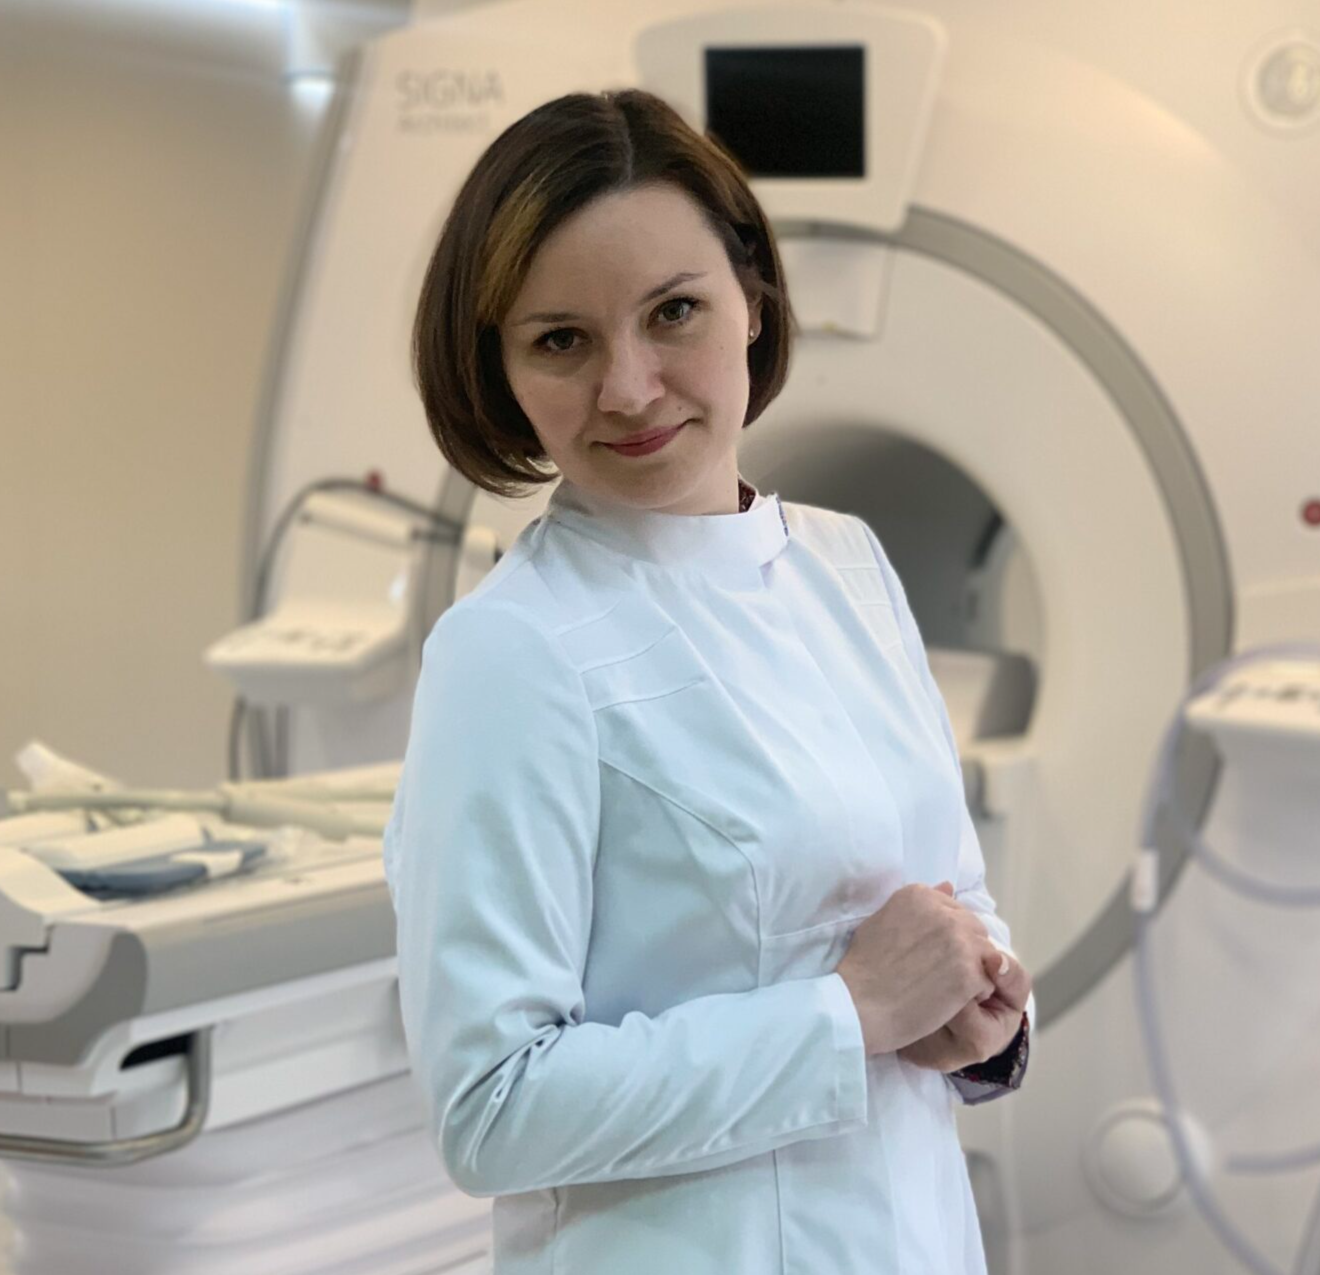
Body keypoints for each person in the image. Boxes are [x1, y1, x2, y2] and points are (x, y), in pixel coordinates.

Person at [384, 87, 1034, 1274]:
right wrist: (848, 1015)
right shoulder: (513, 651)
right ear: (503, 371)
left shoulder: (845, 562)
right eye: (562, 340)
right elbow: (490, 1108)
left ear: (753, 304)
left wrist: (981, 1013)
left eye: (672, 312)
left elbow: (950, 897)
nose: (629, 388)